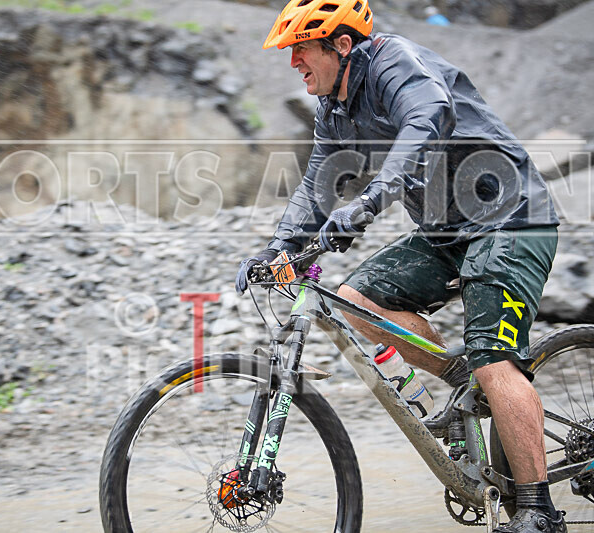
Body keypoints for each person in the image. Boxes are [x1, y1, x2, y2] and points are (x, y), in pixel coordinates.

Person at [235, 1, 563, 532]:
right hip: (444, 231)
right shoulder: (334, 109)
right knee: (355, 304)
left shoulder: (395, 64)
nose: (293, 61)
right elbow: (319, 182)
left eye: (302, 50)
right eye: (290, 53)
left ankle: (537, 510)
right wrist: (277, 250)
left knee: (494, 358)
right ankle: (465, 384)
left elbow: (427, 117)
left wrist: (371, 200)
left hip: (509, 218)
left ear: (341, 46)